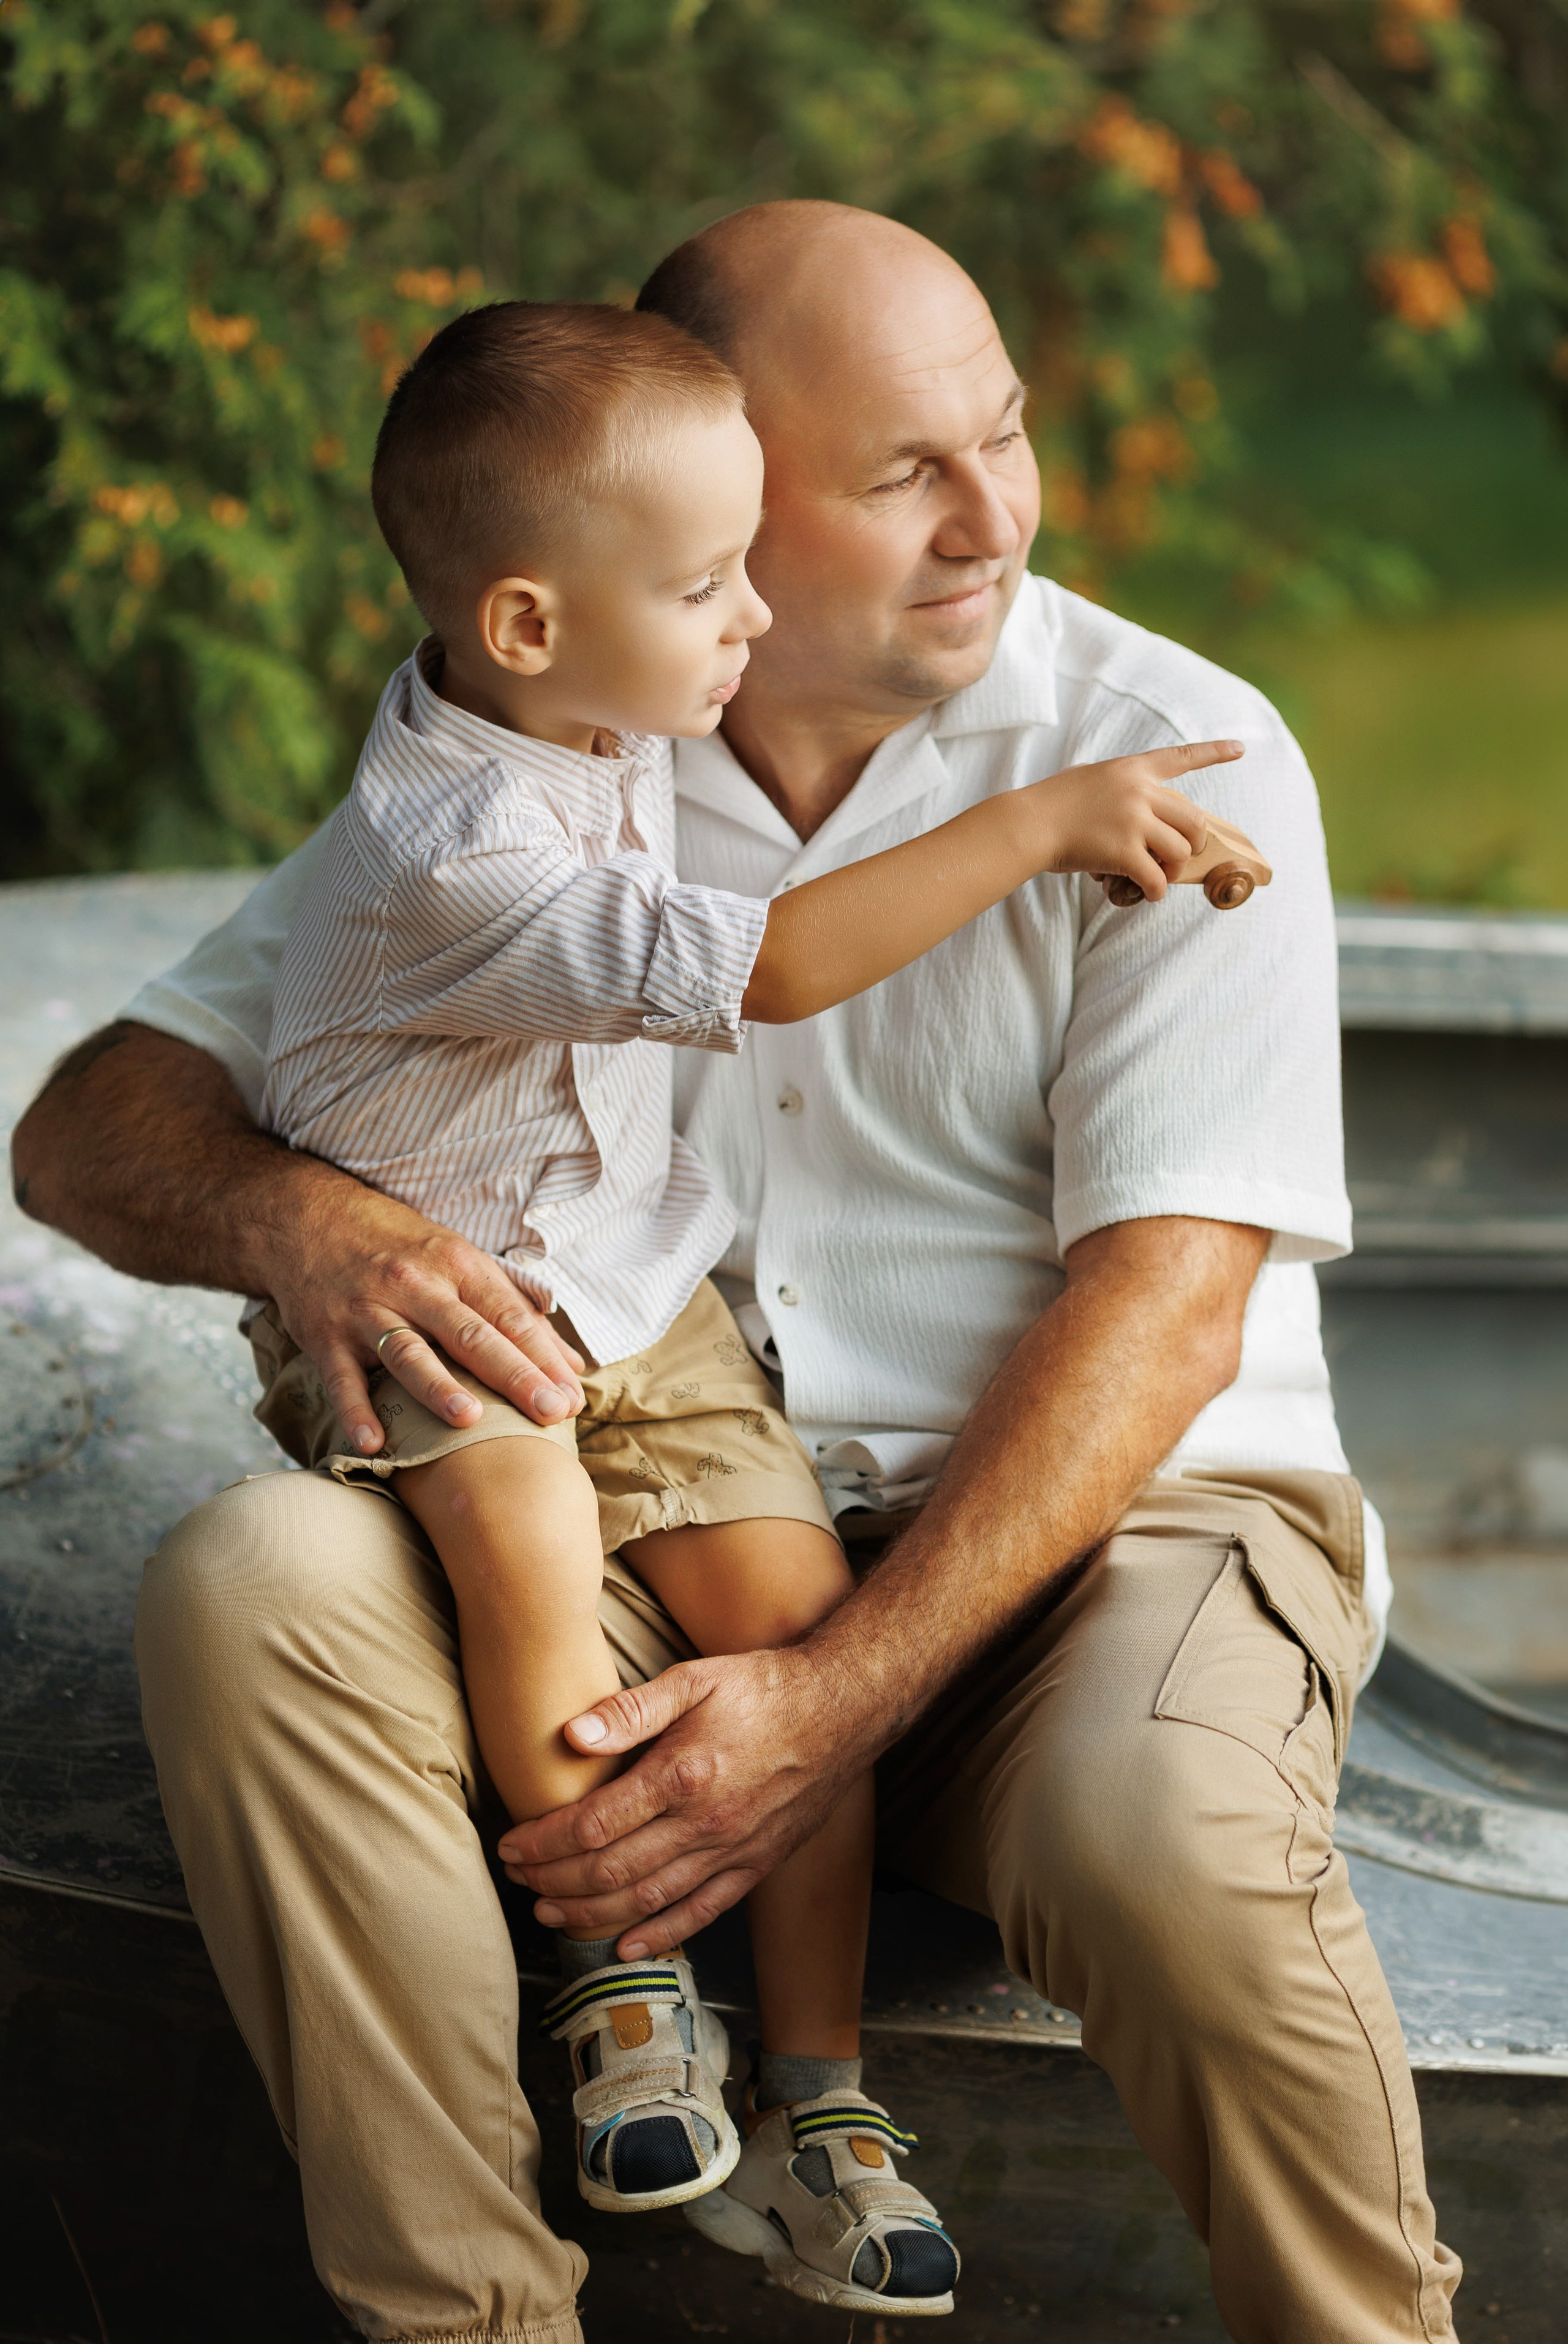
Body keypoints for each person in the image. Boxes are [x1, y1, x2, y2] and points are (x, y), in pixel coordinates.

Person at [10, 202, 1462, 2344]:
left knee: (1165, 1825)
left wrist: (826, 1701)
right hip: (649, 1513)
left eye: (1009, 435)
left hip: (1106, 1537)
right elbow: (91, 1124)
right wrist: (304, 1216)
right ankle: (475, 2322)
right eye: (906, 475)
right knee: (252, 1588)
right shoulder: (548, 739)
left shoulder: (1170, 757)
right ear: (706, 498)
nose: (998, 518)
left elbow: (1165, 1312)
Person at [252, 290, 1226, 2310]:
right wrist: (1040, 823)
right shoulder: (457, 849)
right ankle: (617, 1979)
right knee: (527, 1554)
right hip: (448, 1294)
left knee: (799, 1628)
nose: (754, 622)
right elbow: (771, 966)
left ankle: (822, 2094)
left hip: (623, 1262)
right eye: (707, 584)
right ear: (527, 625)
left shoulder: (571, 696)